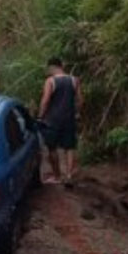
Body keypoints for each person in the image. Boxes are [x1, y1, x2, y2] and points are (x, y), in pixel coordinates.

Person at [38, 57, 83, 187]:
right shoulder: (74, 80)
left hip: (52, 119)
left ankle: (57, 176)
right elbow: (80, 100)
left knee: (52, 147)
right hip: (69, 118)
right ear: (61, 66)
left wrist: (40, 117)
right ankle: (69, 175)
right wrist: (77, 113)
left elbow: (45, 101)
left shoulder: (50, 81)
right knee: (70, 147)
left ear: (51, 67)